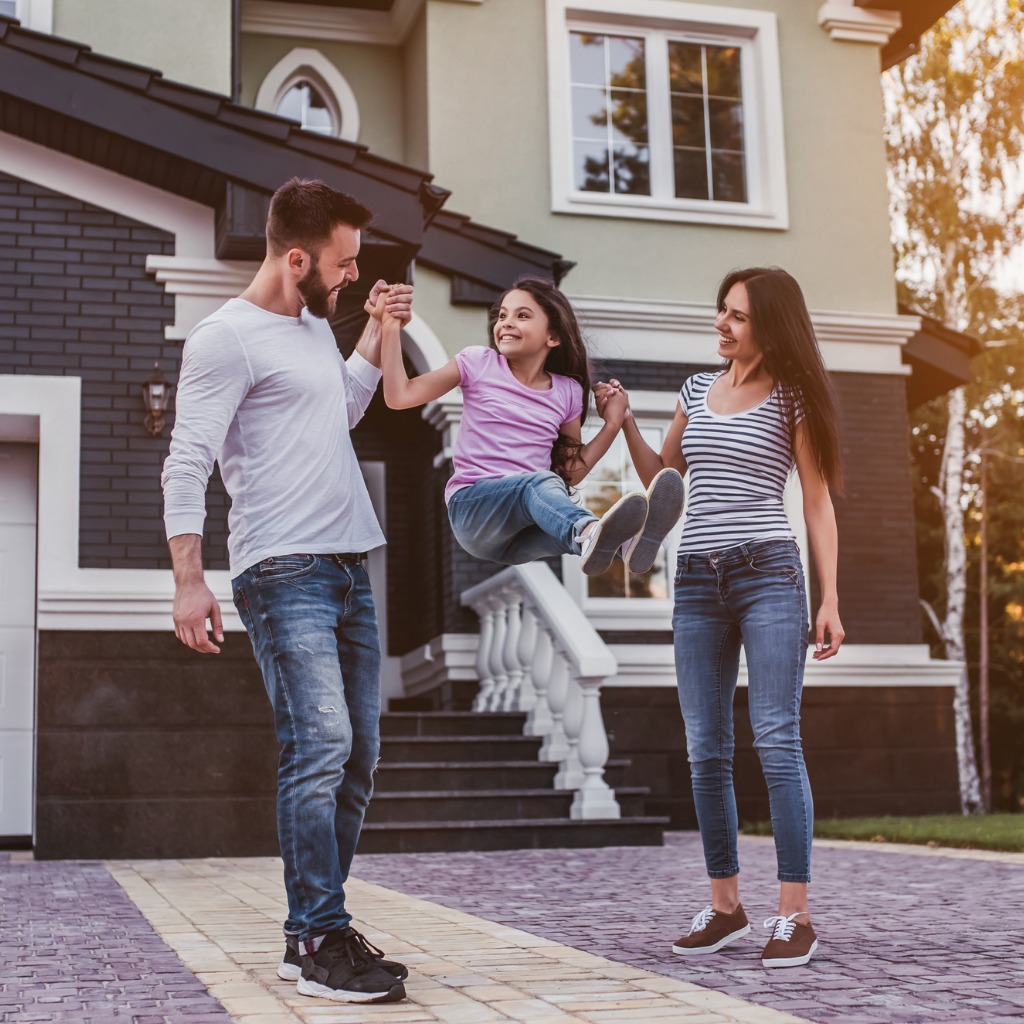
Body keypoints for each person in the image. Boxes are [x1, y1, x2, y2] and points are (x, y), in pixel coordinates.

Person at [161, 178, 412, 1005]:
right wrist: (190, 581)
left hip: (349, 566)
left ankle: (326, 924)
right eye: (342, 266)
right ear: (296, 256)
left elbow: (338, 410)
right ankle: (312, 937)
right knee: (321, 746)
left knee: (359, 758)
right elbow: (186, 458)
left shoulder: (310, 328)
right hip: (283, 571)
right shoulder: (223, 339)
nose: (348, 278)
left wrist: (376, 332)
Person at [602, 266, 844, 969]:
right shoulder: (693, 391)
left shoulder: (793, 399)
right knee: (705, 747)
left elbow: (819, 504)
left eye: (735, 315)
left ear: (768, 325)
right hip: (698, 583)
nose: (721, 324)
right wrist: (622, 427)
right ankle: (727, 906)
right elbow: (661, 481)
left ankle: (794, 915)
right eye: (722, 312)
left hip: (769, 572)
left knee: (775, 738)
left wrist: (829, 599)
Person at [374, 275, 684, 574]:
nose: (506, 322)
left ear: (553, 336)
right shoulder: (478, 363)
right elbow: (400, 396)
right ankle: (589, 531)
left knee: (558, 509)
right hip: (473, 511)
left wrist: (613, 425)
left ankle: (626, 544)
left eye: (522, 315)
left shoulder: (568, 391)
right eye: (502, 315)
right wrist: (389, 328)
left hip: (522, 532)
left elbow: (570, 473)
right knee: (541, 485)